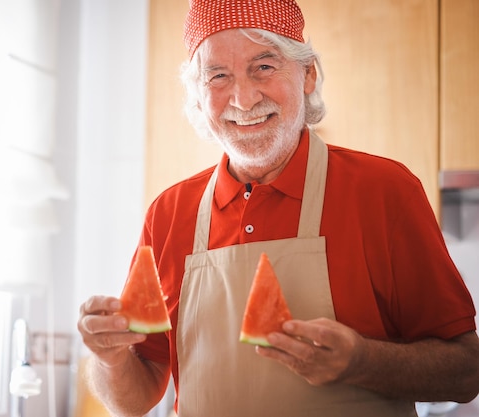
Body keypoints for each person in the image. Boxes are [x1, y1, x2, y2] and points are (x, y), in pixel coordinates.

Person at [77, 0, 479, 416]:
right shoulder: (168, 213)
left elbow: (466, 372)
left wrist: (362, 361)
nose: (244, 98)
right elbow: (135, 400)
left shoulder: (385, 191)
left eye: (263, 67)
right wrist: (109, 357)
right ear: (198, 96)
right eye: (218, 76)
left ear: (308, 75)